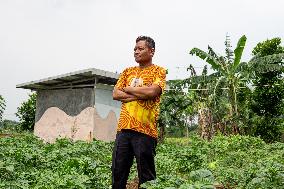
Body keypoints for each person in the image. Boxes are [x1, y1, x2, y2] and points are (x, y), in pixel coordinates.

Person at [112, 36, 166, 189]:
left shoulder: (158, 71)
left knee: (146, 177)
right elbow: (116, 94)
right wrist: (139, 93)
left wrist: (128, 89)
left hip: (145, 131)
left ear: (152, 51)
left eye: (140, 49)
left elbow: (153, 91)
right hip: (123, 129)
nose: (136, 52)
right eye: (135, 49)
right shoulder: (127, 71)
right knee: (118, 172)